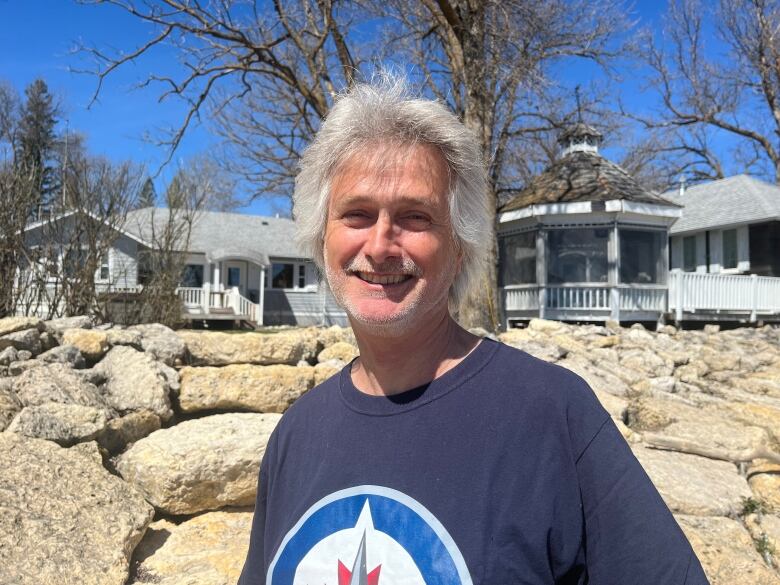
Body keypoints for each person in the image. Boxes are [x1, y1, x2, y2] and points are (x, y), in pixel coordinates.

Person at [238, 76, 709, 585]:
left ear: (460, 245)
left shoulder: (552, 415)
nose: (380, 245)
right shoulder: (296, 435)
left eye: (415, 217)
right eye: (356, 214)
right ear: (320, 236)